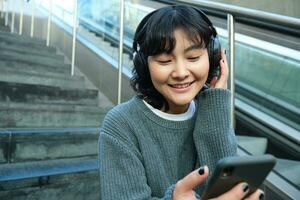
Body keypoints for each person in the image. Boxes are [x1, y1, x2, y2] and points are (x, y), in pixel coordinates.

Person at [98, 5, 264, 200]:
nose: (180, 73)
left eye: (193, 57)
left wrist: (215, 104)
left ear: (214, 57)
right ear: (143, 64)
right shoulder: (121, 124)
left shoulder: (211, 113)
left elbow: (222, 188)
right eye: (164, 61)